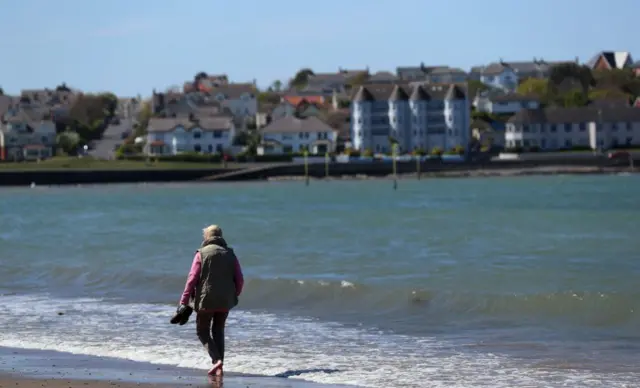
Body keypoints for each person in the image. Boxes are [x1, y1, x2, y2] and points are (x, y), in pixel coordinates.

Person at [178, 224, 244, 377]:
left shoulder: (201, 254)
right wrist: (234, 295)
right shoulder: (230, 254)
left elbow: (192, 279)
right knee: (218, 330)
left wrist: (184, 301)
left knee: (202, 331)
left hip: (206, 300)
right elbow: (240, 279)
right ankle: (220, 367)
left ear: (206, 237)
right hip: (225, 300)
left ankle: (216, 360)